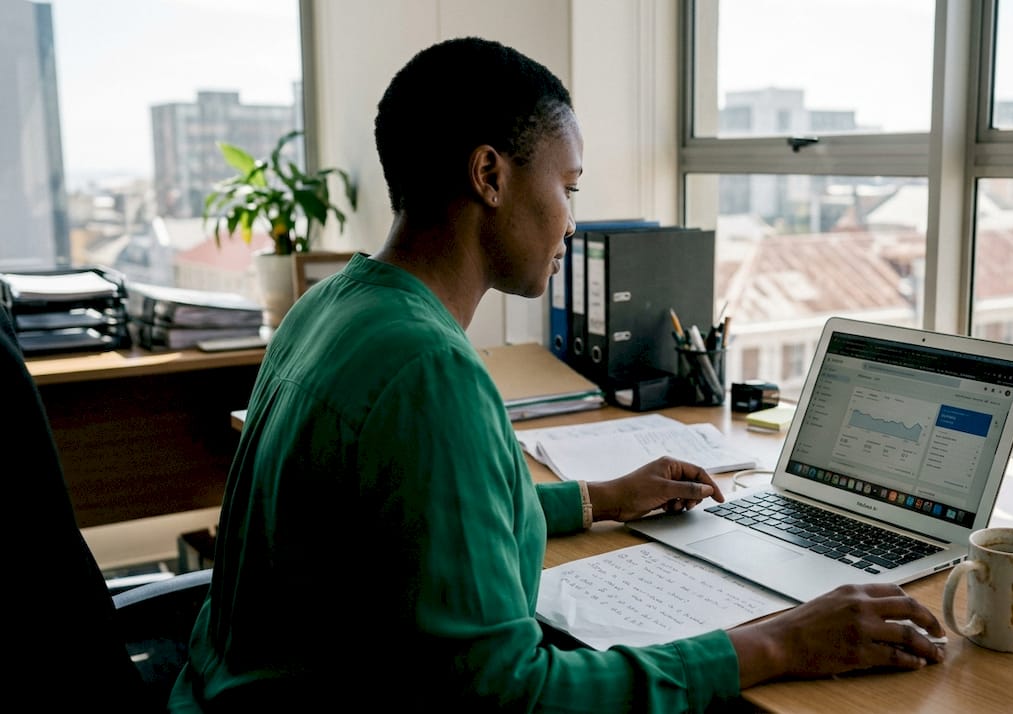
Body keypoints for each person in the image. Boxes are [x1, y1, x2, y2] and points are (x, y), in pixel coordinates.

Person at [169, 36, 945, 712]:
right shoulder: (430, 371)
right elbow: (509, 696)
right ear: (489, 175)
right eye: (567, 188)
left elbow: (419, 510)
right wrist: (775, 643)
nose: (573, 220)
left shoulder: (334, 303)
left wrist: (598, 499)